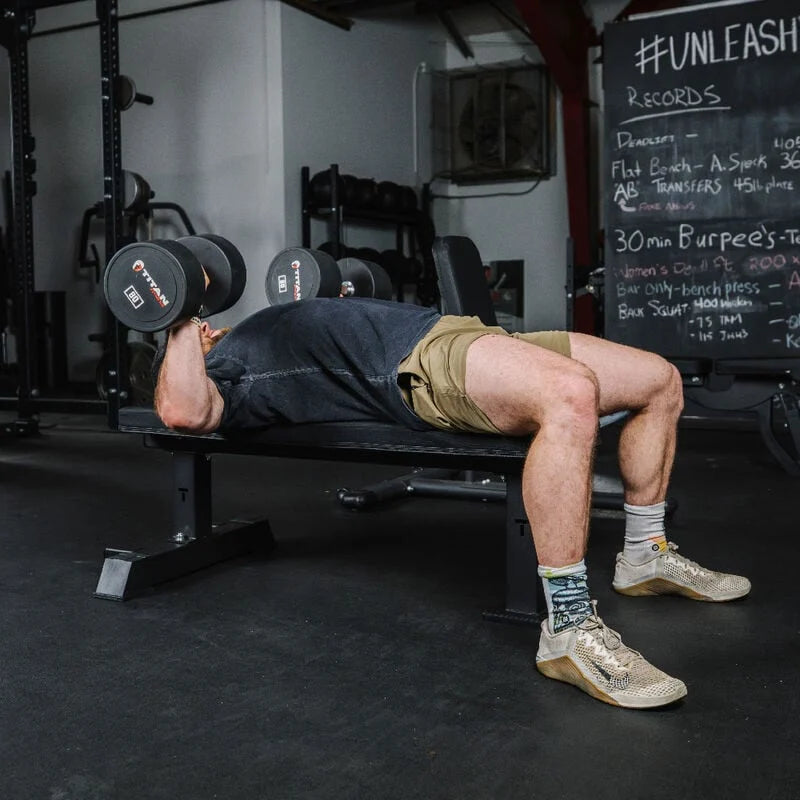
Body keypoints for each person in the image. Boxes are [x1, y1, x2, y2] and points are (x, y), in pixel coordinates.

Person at [155, 297, 750, 709]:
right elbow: (183, 412)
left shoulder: (268, 324)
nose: (210, 329)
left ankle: (645, 553)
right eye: (198, 338)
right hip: (420, 365)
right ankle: (569, 627)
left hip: (467, 335)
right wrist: (181, 319)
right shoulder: (235, 370)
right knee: (571, 393)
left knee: (659, 379)